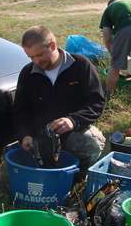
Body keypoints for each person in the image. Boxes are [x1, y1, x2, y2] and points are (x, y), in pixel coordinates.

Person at [13, 26, 106, 174]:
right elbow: (20, 111)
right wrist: (25, 135)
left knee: (91, 144)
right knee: (6, 174)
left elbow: (96, 103)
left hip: (73, 132)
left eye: (39, 55)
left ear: (53, 45)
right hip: (39, 136)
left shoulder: (81, 65)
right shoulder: (27, 73)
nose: (36, 61)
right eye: (31, 57)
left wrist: (73, 120)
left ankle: (78, 177)